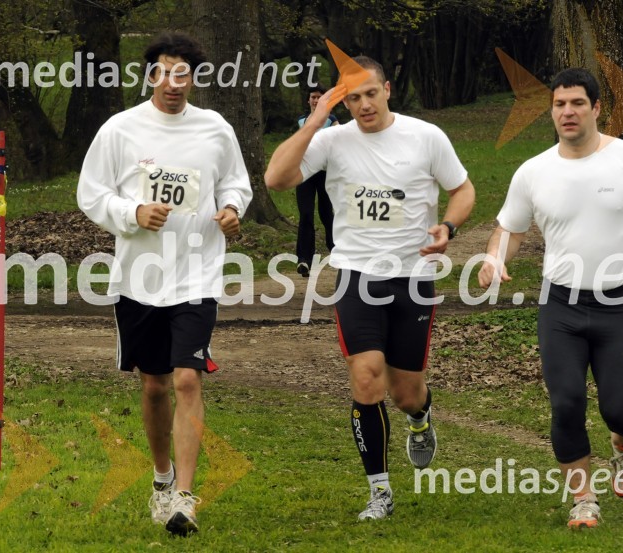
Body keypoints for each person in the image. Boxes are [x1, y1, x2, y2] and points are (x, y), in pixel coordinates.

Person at [265, 55, 475, 521]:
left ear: (387, 90)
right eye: (353, 97)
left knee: (405, 393)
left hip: (413, 278)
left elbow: (463, 190)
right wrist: (316, 121)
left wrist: (448, 227)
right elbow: (276, 178)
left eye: (370, 94)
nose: (363, 105)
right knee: (366, 379)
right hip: (357, 274)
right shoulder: (332, 140)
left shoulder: (426, 137)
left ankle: (419, 419)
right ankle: (379, 491)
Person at [478, 68, 623, 529]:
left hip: (619, 304)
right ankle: (583, 500)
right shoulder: (533, 171)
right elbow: (509, 229)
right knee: (566, 403)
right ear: (551, 110)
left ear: (596, 108)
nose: (567, 112)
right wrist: (494, 258)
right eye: (558, 104)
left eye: (576, 103)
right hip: (561, 306)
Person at [77, 32, 253, 537]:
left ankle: (185, 498)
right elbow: (91, 193)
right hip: (139, 278)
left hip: (197, 273)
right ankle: (161, 479)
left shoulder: (214, 129)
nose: (173, 83)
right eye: (164, 71)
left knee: (187, 379)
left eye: (184, 73)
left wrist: (232, 209)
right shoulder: (121, 129)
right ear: (150, 74)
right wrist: (131, 211)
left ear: (194, 78)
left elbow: (237, 182)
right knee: (154, 386)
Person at [295, 86, 338, 277]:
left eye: (319, 97)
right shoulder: (300, 121)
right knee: (305, 215)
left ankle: (336, 251)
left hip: (325, 173)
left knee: (326, 214)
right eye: (313, 97)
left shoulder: (332, 120)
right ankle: (304, 260)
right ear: (308, 100)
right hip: (304, 174)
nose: (315, 100)